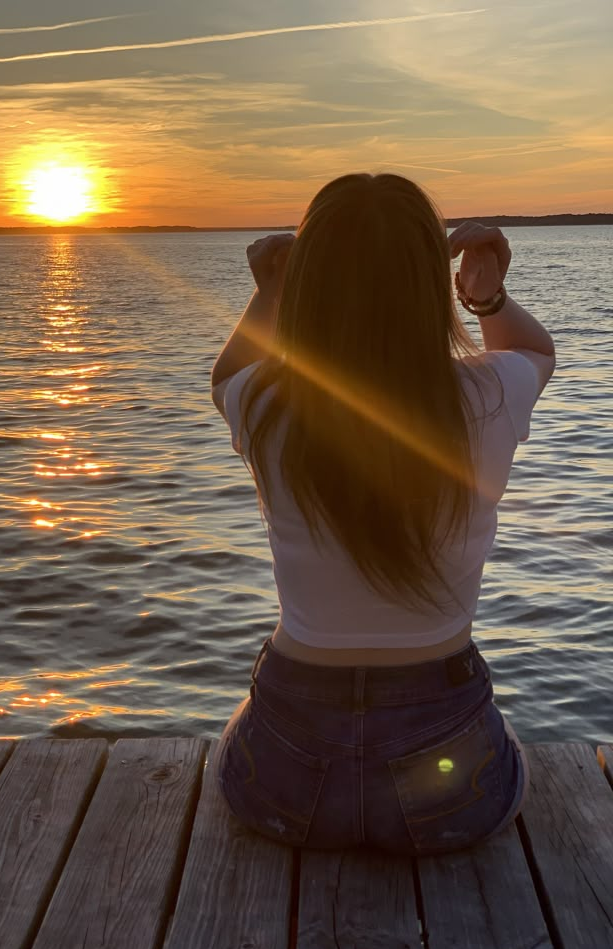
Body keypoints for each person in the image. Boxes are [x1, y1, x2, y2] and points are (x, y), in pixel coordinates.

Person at [209, 172, 555, 855]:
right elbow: (537, 352)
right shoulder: (492, 393)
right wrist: (486, 294)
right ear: (428, 280)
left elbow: (225, 376)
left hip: (280, 782)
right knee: (504, 742)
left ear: (312, 281)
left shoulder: (265, 403)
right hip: (450, 788)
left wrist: (270, 290)